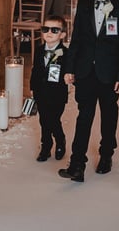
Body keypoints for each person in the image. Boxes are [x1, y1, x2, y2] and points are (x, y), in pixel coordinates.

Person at [58, 0, 119, 183]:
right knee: (84, 115)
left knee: (109, 115)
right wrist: (69, 67)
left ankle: (106, 153)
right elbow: (76, 39)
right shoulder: (83, 3)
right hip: (85, 71)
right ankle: (77, 164)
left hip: (109, 73)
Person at [30, 15, 68, 163]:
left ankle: (60, 139)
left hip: (57, 94)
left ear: (62, 34)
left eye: (54, 30)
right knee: (43, 121)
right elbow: (35, 70)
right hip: (41, 92)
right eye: (45, 29)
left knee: (53, 120)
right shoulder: (39, 50)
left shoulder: (66, 53)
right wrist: (32, 88)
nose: (49, 33)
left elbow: (69, 72)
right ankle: (46, 146)